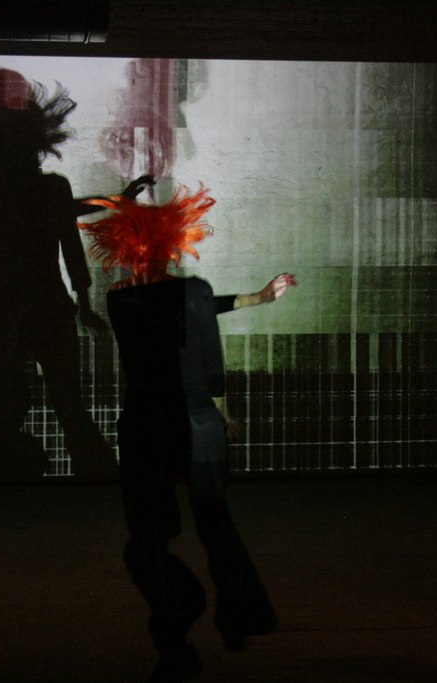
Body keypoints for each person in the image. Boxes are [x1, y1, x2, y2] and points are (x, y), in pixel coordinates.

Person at [80, 184, 297, 681]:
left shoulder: (119, 298)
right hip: (196, 421)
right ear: (173, 245)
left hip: (145, 426)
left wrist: (253, 298)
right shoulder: (192, 292)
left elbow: (179, 305)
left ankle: (178, 628)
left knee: (147, 539)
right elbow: (206, 346)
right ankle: (237, 612)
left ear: (127, 249)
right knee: (215, 524)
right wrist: (222, 410)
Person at [0, 69, 149, 481]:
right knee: (66, 398)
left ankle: (24, 466)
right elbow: (69, 243)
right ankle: (95, 474)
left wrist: (116, 200)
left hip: (2, 306)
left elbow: (61, 224)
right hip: (45, 305)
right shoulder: (49, 190)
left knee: (10, 402)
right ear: (37, 148)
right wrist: (84, 304)